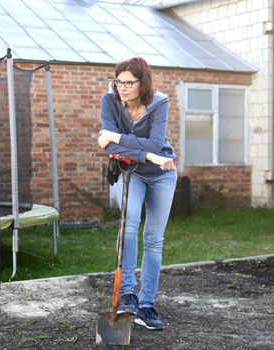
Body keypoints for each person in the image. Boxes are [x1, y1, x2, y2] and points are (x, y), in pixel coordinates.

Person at [97, 56, 177, 330]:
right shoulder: (109, 100)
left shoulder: (159, 102)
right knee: (128, 226)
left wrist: (116, 137)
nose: (122, 87)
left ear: (142, 84)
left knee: (154, 239)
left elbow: (155, 143)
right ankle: (128, 295)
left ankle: (147, 304)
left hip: (163, 175)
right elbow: (110, 150)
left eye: (129, 83)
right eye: (118, 82)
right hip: (132, 174)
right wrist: (148, 156)